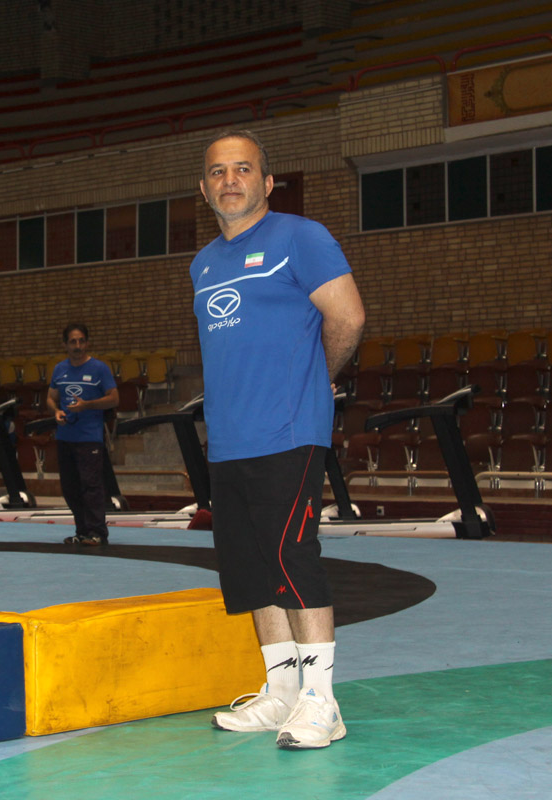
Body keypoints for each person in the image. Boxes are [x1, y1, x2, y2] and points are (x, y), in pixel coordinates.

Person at [192, 130, 365, 750]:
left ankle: (322, 702)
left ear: (267, 182)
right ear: (204, 188)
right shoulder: (202, 264)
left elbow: (348, 316)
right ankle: (282, 691)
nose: (230, 180)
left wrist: (316, 378)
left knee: (292, 558)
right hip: (229, 441)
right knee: (252, 570)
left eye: (243, 169)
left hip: (288, 431)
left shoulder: (301, 237)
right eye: (218, 171)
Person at [45, 323, 119, 546]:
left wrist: (87, 405)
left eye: (81, 341)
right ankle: (82, 531)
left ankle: (98, 532)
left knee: (91, 486)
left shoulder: (99, 368)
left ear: (87, 342)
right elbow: (50, 397)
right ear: (65, 344)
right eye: (73, 342)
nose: (77, 346)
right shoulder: (59, 369)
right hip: (65, 437)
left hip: (89, 438)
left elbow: (114, 398)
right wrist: (56, 411)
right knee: (70, 488)